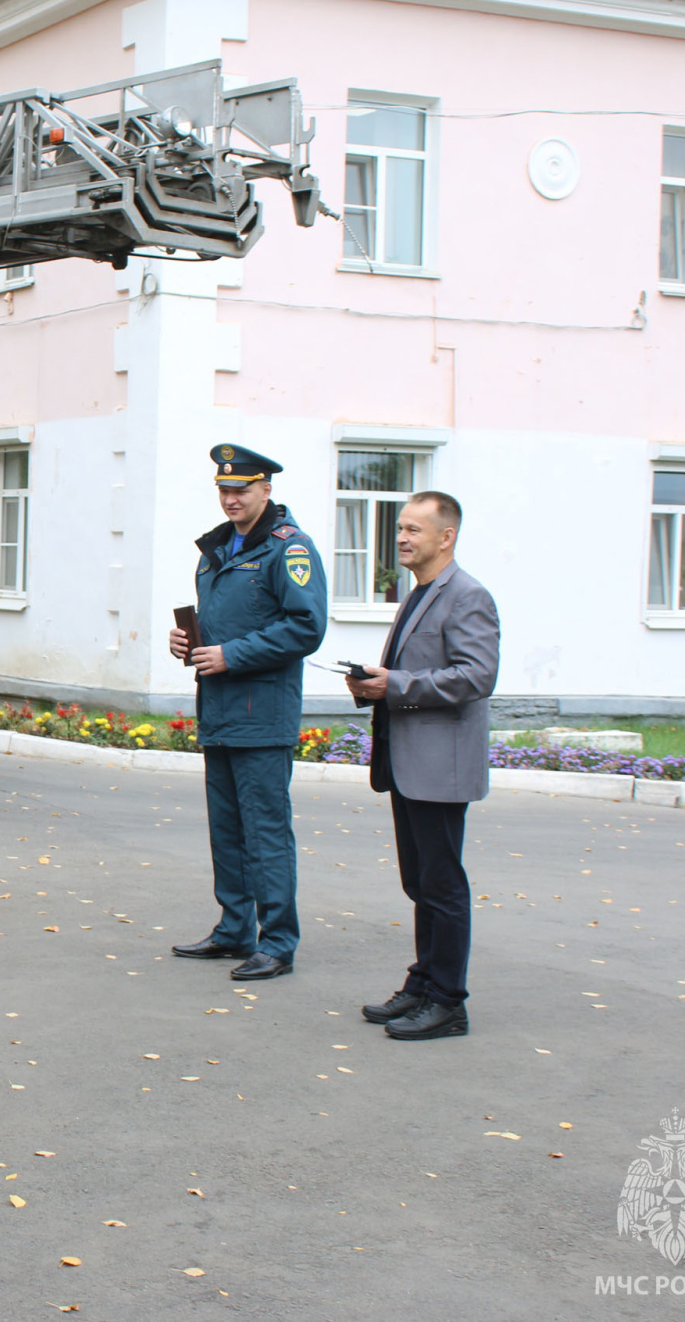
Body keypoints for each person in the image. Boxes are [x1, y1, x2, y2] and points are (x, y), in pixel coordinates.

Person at [167, 444, 327, 982]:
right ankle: (235, 927)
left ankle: (277, 941)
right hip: (220, 711)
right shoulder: (216, 549)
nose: (231, 498)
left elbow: (307, 627)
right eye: (224, 490)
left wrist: (230, 655)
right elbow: (225, 623)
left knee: (265, 832)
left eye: (241, 489)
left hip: (262, 714)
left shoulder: (289, 549)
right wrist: (188, 643)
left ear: (267, 490)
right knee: (228, 830)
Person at [346, 491, 499, 1041]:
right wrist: (372, 685)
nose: (403, 538)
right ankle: (423, 982)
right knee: (421, 881)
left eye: (414, 529)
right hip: (409, 761)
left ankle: (448, 1001)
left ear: (446, 536)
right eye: (401, 529)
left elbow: (477, 676)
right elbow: (417, 672)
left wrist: (397, 685)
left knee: (442, 884)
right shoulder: (420, 595)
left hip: (440, 767)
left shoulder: (467, 596)